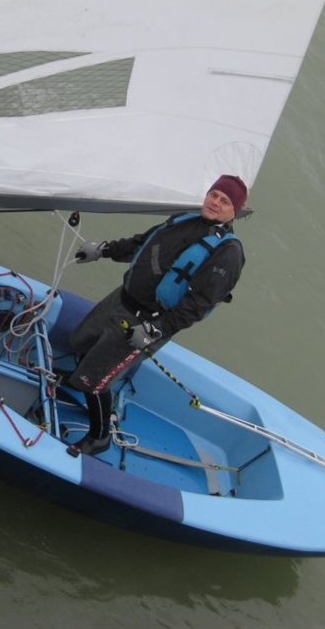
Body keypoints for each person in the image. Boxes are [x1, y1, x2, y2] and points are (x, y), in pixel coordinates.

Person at [63, 175, 248, 457]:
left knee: (95, 382)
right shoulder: (184, 219)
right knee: (81, 341)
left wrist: (154, 330)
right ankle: (78, 379)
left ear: (235, 211)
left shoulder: (228, 254)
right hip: (120, 300)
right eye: (214, 194)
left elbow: (197, 306)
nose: (215, 202)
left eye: (225, 201)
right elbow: (141, 243)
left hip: (145, 324)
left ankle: (99, 437)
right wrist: (104, 249)